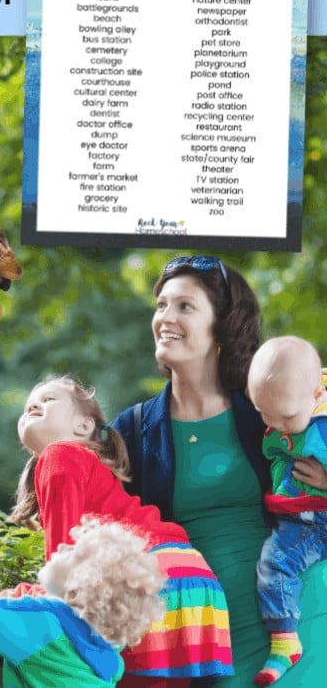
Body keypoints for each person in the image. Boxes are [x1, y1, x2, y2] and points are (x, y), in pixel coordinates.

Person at [113, 255, 327, 687]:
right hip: (208, 632)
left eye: (185, 307)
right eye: (161, 305)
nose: (165, 318)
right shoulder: (132, 430)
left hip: (303, 612)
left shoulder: (272, 408)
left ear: (223, 328)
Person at [12, 374, 234, 687]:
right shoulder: (85, 464)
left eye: (48, 400)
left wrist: (25, 596)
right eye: (29, 404)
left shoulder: (60, 454)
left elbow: (63, 567)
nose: (33, 404)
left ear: (84, 426)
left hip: (150, 579)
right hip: (191, 578)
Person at [0, 518, 166, 687]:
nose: (60, 546)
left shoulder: (43, 625)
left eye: (72, 552)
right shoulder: (107, 645)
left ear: (81, 585)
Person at [247, 336, 327, 685]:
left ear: (316, 396)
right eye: (265, 413)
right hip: (304, 523)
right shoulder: (288, 410)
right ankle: (284, 640)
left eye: (287, 416)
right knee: (274, 562)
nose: (276, 424)